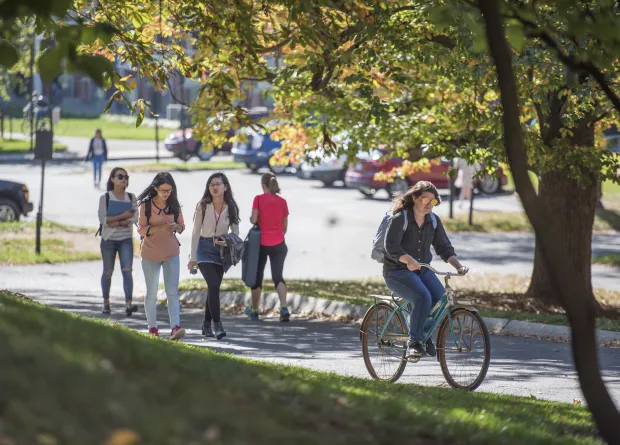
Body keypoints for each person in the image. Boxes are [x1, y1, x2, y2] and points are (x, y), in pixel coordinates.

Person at [383, 181, 467, 357]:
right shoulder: (402, 218)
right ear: (414, 198)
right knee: (423, 297)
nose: (429, 205)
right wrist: (407, 259)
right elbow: (390, 246)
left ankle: (421, 334)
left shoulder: (434, 221)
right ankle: (414, 342)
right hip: (397, 271)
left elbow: (443, 247)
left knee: (439, 300)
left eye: (434, 201)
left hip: (422, 270)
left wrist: (459, 266)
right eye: (425, 200)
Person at [188, 173, 240, 340]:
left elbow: (236, 232)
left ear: (225, 186)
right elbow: (195, 233)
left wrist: (227, 241)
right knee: (213, 283)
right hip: (203, 248)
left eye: (218, 184)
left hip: (221, 251)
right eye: (211, 185)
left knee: (214, 287)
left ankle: (205, 323)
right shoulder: (203, 205)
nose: (215, 187)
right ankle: (217, 324)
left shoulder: (231, 206)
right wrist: (193, 258)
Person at [137, 172, 186, 340]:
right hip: (150, 253)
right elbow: (141, 229)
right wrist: (160, 228)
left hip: (171, 252)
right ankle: (152, 328)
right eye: (163, 190)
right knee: (151, 292)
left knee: (172, 291)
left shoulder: (174, 204)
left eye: (169, 190)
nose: (166, 193)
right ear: (155, 189)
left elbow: (182, 226)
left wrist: (176, 228)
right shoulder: (146, 205)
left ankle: (175, 327)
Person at [245, 172, 290, 322]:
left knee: (257, 277)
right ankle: (284, 307)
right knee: (278, 276)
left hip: (261, 245)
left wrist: (252, 217)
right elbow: (285, 228)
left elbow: (254, 219)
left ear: (263, 185)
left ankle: (255, 310)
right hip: (279, 244)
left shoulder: (258, 199)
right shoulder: (282, 202)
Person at [97, 167, 138, 316]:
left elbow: (134, 218)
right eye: (120, 176)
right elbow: (104, 219)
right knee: (107, 272)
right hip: (108, 240)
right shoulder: (105, 198)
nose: (124, 179)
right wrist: (123, 217)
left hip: (126, 239)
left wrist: (115, 220)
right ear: (112, 179)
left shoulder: (131, 197)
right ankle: (106, 302)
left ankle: (128, 304)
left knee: (127, 271)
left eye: (126, 177)